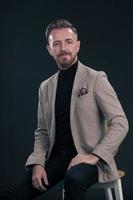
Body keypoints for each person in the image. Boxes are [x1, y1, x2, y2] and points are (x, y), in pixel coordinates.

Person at [0, 19, 129, 200]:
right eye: (57, 43)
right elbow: (42, 131)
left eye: (68, 42)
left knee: (74, 180)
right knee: (14, 195)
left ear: (77, 45)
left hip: (89, 159)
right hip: (55, 160)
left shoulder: (96, 78)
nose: (63, 48)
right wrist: (37, 162)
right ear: (49, 49)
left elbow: (120, 123)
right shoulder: (45, 87)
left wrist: (93, 155)